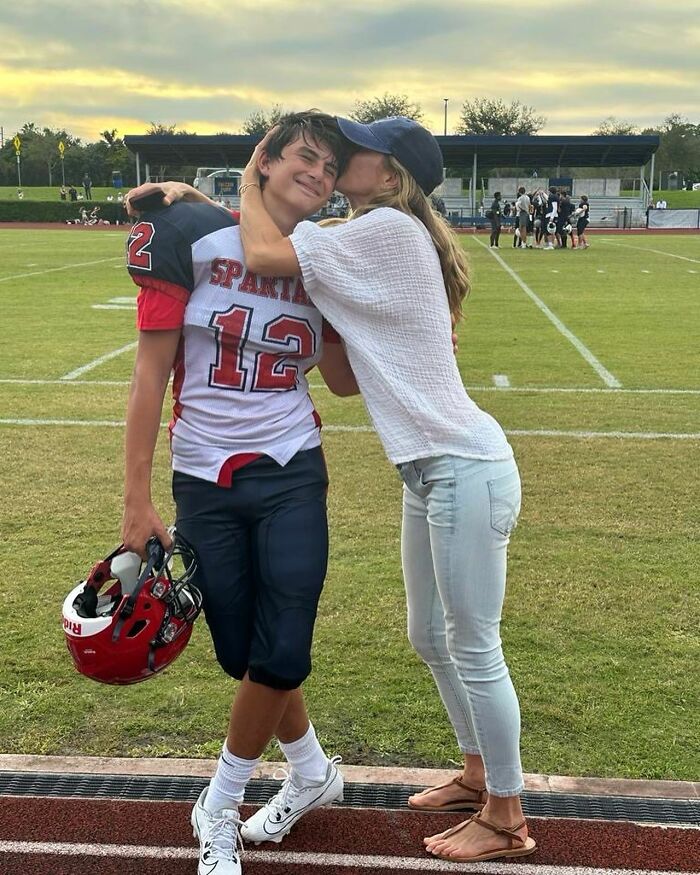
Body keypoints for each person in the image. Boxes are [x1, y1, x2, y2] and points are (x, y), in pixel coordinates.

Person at [133, 115, 536, 865]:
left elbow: (259, 246)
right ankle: (477, 772)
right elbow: (342, 372)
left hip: (463, 464)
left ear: (389, 178)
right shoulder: (368, 235)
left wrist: (242, 178)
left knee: (475, 644)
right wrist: (196, 209)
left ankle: (507, 813)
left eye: (358, 152)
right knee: (429, 636)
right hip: (430, 469)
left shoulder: (383, 231)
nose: (341, 160)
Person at [123, 111, 359, 875]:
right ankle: (313, 767)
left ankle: (219, 803)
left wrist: (390, 322)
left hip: (292, 463)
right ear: (264, 160)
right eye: (305, 157)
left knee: (284, 642)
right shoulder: (196, 237)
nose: (318, 175)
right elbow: (150, 374)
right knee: (244, 654)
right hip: (203, 474)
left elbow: (344, 384)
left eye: (329, 168)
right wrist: (135, 497)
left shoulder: (323, 256)